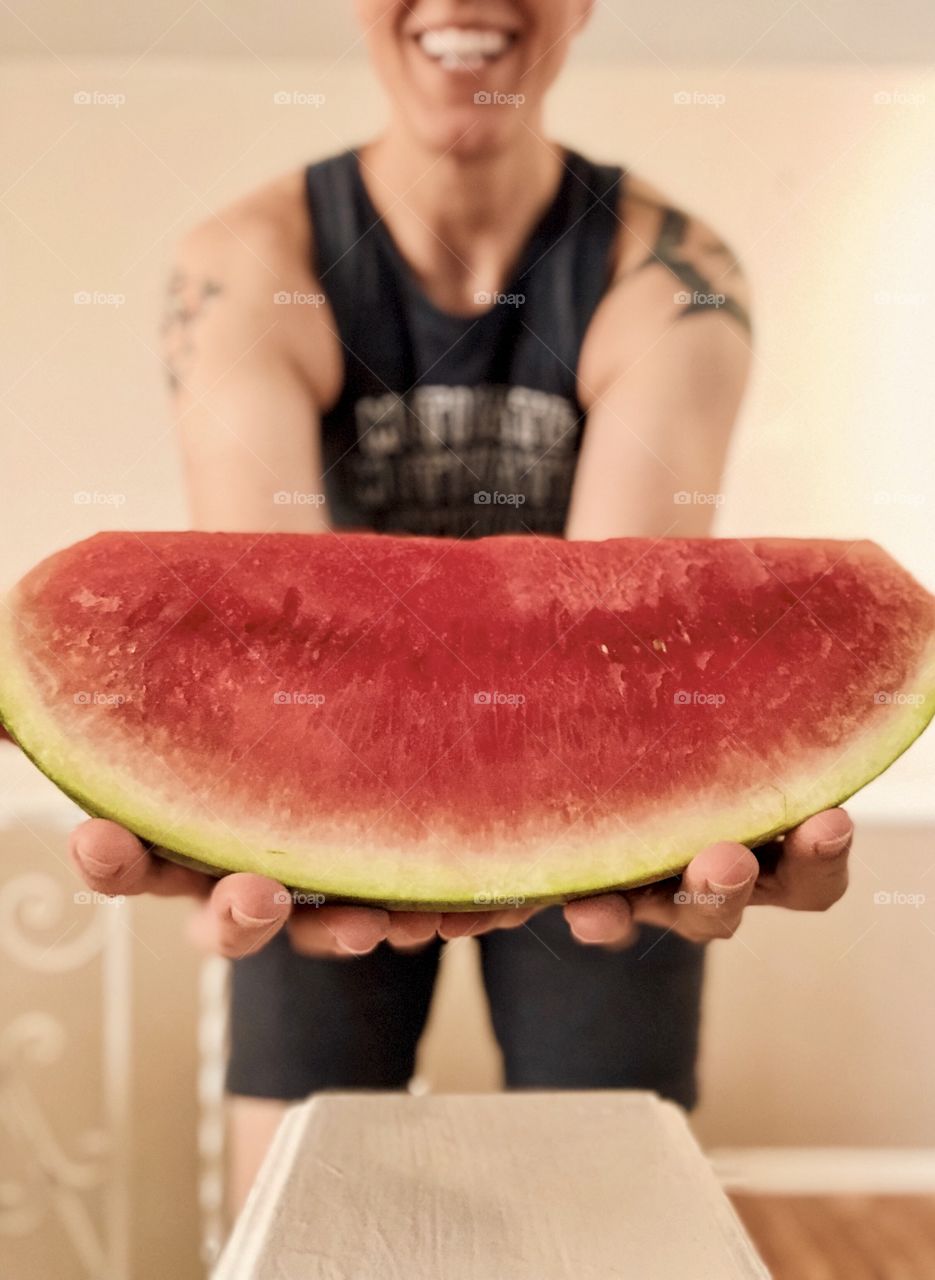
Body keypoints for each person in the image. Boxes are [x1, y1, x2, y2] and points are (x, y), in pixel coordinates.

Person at [67, 0, 853, 1209]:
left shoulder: (668, 275)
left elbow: (604, 673)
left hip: (602, 836)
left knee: (608, 1215)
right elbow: (285, 671)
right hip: (311, 827)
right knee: (303, 1215)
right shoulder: (250, 266)